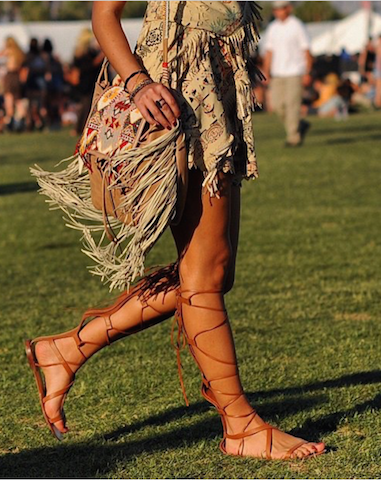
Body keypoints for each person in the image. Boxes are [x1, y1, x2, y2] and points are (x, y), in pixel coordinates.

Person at [25, 1, 325, 461]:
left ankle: (67, 349)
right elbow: (104, 14)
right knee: (205, 276)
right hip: (175, 94)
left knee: (213, 274)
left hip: (215, 87)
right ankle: (240, 426)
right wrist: (138, 82)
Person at [263, 1, 312, 147]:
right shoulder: (273, 28)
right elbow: (269, 52)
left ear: (288, 8)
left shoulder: (297, 26)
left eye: (281, 8)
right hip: (278, 73)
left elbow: (307, 50)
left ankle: (293, 138)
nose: (278, 12)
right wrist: (266, 71)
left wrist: (308, 71)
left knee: (292, 105)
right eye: (276, 9)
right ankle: (299, 125)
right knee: (278, 105)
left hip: (295, 71)